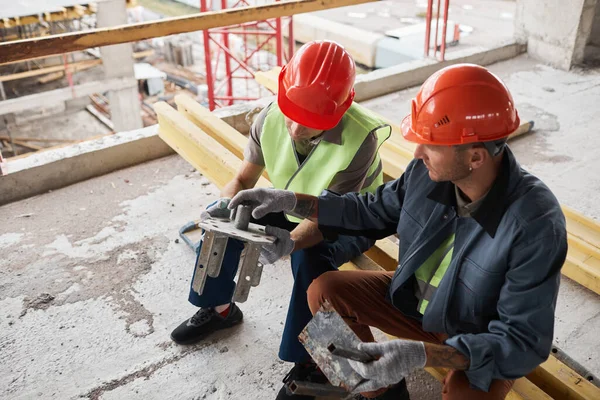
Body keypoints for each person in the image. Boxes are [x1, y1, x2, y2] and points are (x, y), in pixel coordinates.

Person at [229, 63, 568, 400]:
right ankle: (380, 391)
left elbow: (521, 342)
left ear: (475, 158)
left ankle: (412, 371)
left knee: (466, 395)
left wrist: (422, 354)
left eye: (431, 145)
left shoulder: (535, 223)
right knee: (323, 290)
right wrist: (292, 201)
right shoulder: (426, 173)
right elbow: (368, 210)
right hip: (416, 302)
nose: (417, 153)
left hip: (477, 332)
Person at [169, 40, 392, 399]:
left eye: (309, 124)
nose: (294, 130)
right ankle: (220, 308)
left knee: (311, 260)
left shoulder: (360, 138)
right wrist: (223, 206)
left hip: (349, 221)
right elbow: (243, 180)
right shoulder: (271, 116)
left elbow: (328, 218)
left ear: (339, 112)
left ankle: (312, 363)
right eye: (291, 115)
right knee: (233, 215)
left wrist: (291, 242)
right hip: (290, 204)